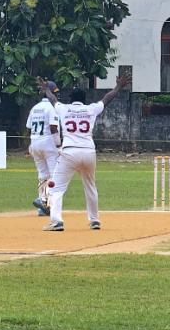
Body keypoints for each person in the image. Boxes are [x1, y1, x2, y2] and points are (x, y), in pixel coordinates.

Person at [42, 74, 131, 231]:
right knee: (90, 186)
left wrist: (46, 90)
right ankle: (94, 220)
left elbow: (53, 100)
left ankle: (56, 221)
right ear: (84, 100)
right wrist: (118, 86)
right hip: (88, 152)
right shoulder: (90, 109)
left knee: (56, 188)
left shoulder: (64, 108)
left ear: (71, 99)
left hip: (69, 152)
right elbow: (107, 99)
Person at [26, 80, 61, 216]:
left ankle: (42, 203)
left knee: (42, 174)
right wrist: (58, 145)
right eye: (55, 93)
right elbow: (53, 128)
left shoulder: (35, 108)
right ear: (50, 93)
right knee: (54, 175)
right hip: (48, 143)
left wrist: (32, 143)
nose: (56, 95)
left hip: (35, 142)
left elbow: (29, 128)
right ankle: (49, 203)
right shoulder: (52, 108)